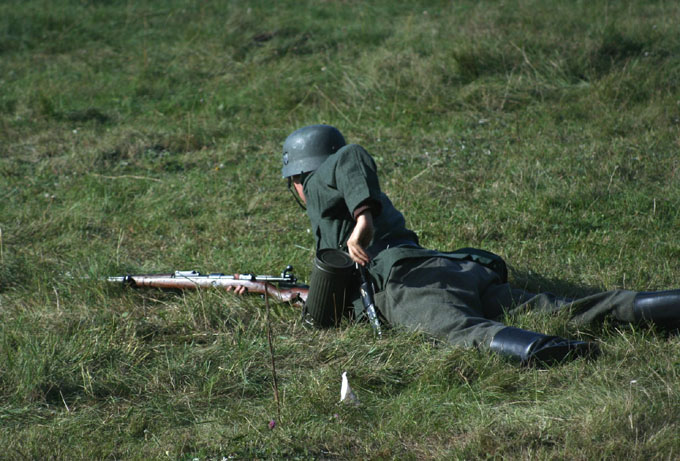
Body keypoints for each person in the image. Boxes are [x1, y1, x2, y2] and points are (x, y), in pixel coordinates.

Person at [280, 124, 680, 365]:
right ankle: (661, 305)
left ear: (299, 177)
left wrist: (363, 218)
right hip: (455, 272)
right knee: (564, 308)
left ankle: (556, 353)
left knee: (462, 333)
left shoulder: (316, 186)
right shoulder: (341, 196)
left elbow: (351, 154)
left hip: (410, 286)